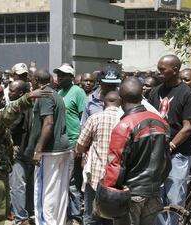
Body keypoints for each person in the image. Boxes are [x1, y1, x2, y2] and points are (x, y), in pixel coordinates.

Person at [97, 77, 171, 225]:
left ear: (120, 98)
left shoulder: (124, 126)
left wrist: (109, 192)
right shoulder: (162, 122)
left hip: (131, 194)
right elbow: (166, 162)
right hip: (154, 192)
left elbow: (115, 165)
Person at [0, 84, 51, 225]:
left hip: (0, 168)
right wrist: (27, 97)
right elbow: (8, 113)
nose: (3, 99)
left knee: (1, 208)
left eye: (2, 96)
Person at [149, 55, 191, 225]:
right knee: (155, 200)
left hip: (177, 155)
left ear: (175, 70)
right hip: (155, 155)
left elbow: (187, 128)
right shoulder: (155, 92)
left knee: (175, 199)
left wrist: (170, 146)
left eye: (162, 69)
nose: (159, 72)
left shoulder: (187, 93)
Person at [28, 69, 72, 225]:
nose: (30, 82)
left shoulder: (44, 95)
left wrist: (38, 150)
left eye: (31, 79)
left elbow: (48, 123)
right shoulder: (55, 94)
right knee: (59, 192)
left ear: (36, 80)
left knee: (44, 193)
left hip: (50, 151)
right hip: (62, 148)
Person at [76, 91, 121, 225]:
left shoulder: (95, 118)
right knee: (112, 216)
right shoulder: (125, 119)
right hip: (117, 177)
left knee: (91, 216)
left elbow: (80, 146)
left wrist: (88, 149)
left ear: (103, 103)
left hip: (95, 175)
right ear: (121, 104)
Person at [54, 63, 86, 223]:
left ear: (72, 77)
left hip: (74, 141)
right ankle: (64, 213)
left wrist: (81, 145)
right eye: (58, 74)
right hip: (60, 143)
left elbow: (84, 119)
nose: (59, 77)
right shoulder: (59, 92)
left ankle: (75, 216)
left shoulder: (78, 92)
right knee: (62, 181)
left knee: (72, 181)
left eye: (63, 75)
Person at [8, 80, 34, 225]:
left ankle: (20, 218)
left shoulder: (18, 108)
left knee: (17, 186)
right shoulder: (31, 105)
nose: (9, 92)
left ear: (21, 93)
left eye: (12, 90)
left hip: (20, 152)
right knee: (28, 185)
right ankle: (29, 215)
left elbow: (11, 128)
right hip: (30, 152)